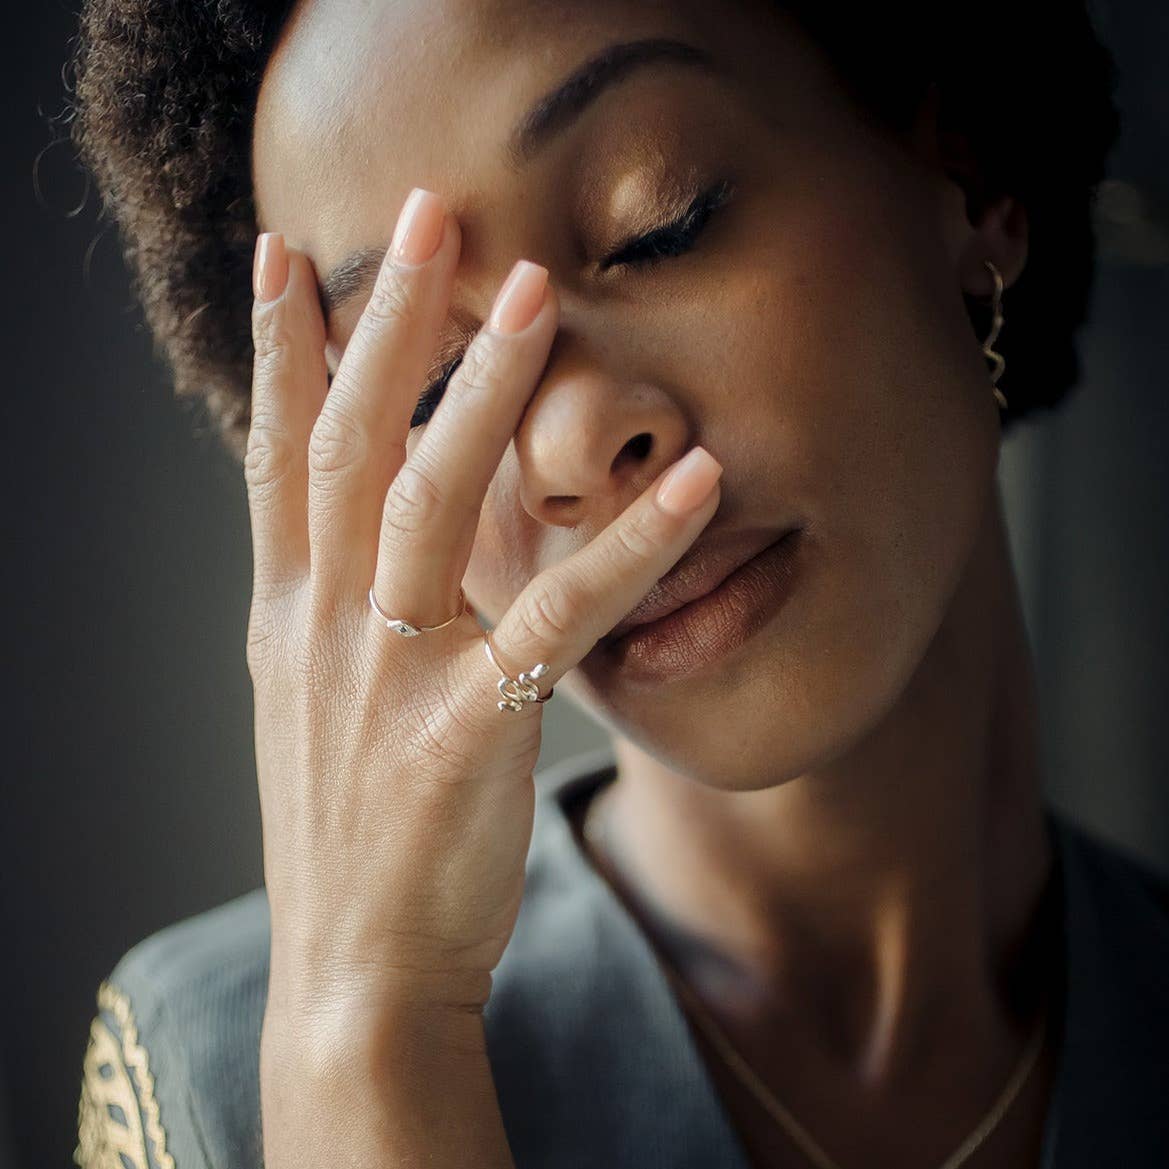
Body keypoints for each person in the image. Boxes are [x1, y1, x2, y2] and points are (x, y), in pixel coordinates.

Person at [67, 1, 1169, 1167]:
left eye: (660, 220)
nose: (565, 446)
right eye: (435, 389)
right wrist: (366, 1040)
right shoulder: (211, 1079)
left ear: (968, 175)